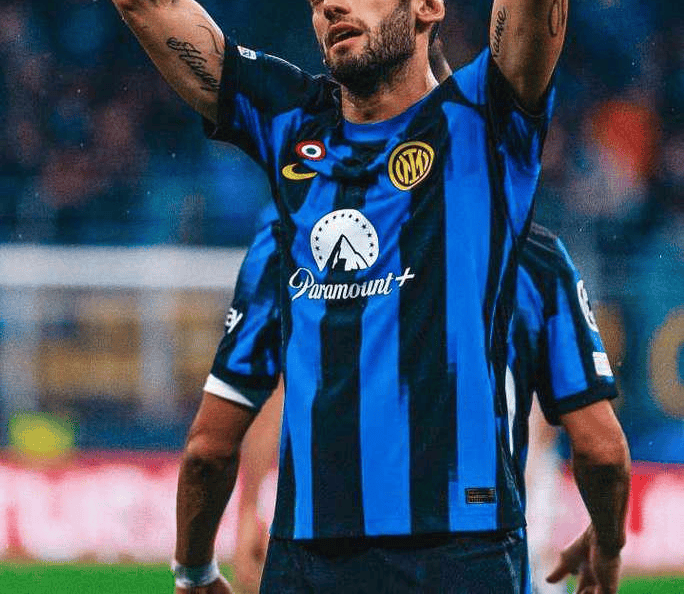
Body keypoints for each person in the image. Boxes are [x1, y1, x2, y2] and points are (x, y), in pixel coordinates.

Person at [103, 0, 571, 592]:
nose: (331, 2)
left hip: (461, 550)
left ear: (428, 5)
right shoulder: (291, 120)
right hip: (308, 555)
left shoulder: (484, 120)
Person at [176, 212, 629, 594]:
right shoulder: (529, 252)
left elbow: (210, 448)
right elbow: (603, 452)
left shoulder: (295, 235)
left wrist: (199, 566)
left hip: (317, 555)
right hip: (475, 551)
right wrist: (607, 542)